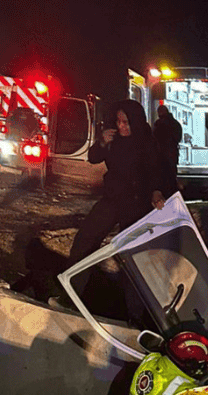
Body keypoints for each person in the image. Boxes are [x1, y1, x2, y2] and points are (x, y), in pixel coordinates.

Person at [63, 98, 173, 270]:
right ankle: (73, 278)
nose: (121, 126)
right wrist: (101, 143)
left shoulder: (147, 141)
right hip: (114, 197)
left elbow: (157, 170)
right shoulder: (113, 139)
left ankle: (130, 283)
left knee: (132, 249)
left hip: (138, 201)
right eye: (118, 121)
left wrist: (156, 191)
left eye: (126, 122)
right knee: (87, 237)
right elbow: (93, 158)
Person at [152, 103, 184, 201]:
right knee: (171, 176)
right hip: (172, 154)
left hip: (161, 155)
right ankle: (173, 196)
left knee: (162, 177)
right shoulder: (175, 124)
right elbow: (178, 137)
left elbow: (154, 138)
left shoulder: (158, 124)